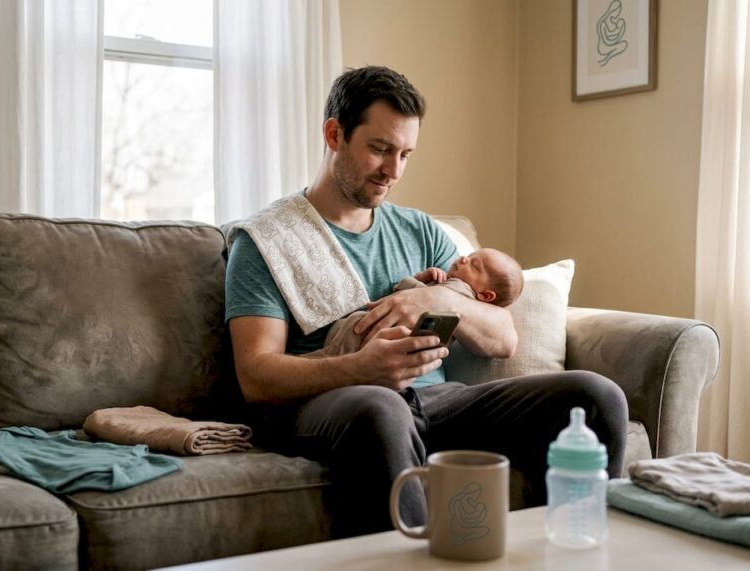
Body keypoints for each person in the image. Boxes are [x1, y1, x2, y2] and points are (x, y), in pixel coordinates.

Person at [225, 65, 628, 537]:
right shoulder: (266, 240)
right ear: (334, 135)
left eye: (405, 154)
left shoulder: (420, 231)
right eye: (379, 149)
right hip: (334, 404)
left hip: (437, 402)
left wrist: (436, 299)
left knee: (595, 396)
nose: (393, 171)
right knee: (381, 407)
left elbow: (503, 338)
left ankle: (578, 551)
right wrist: (361, 370)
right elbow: (256, 375)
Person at [305, 248, 523, 358]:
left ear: (485, 296)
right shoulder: (454, 287)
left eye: (475, 266)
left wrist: (415, 282)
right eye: (469, 255)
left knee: (347, 339)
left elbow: (410, 295)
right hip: (389, 346)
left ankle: (316, 363)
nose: (463, 259)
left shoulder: (459, 290)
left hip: (380, 339)